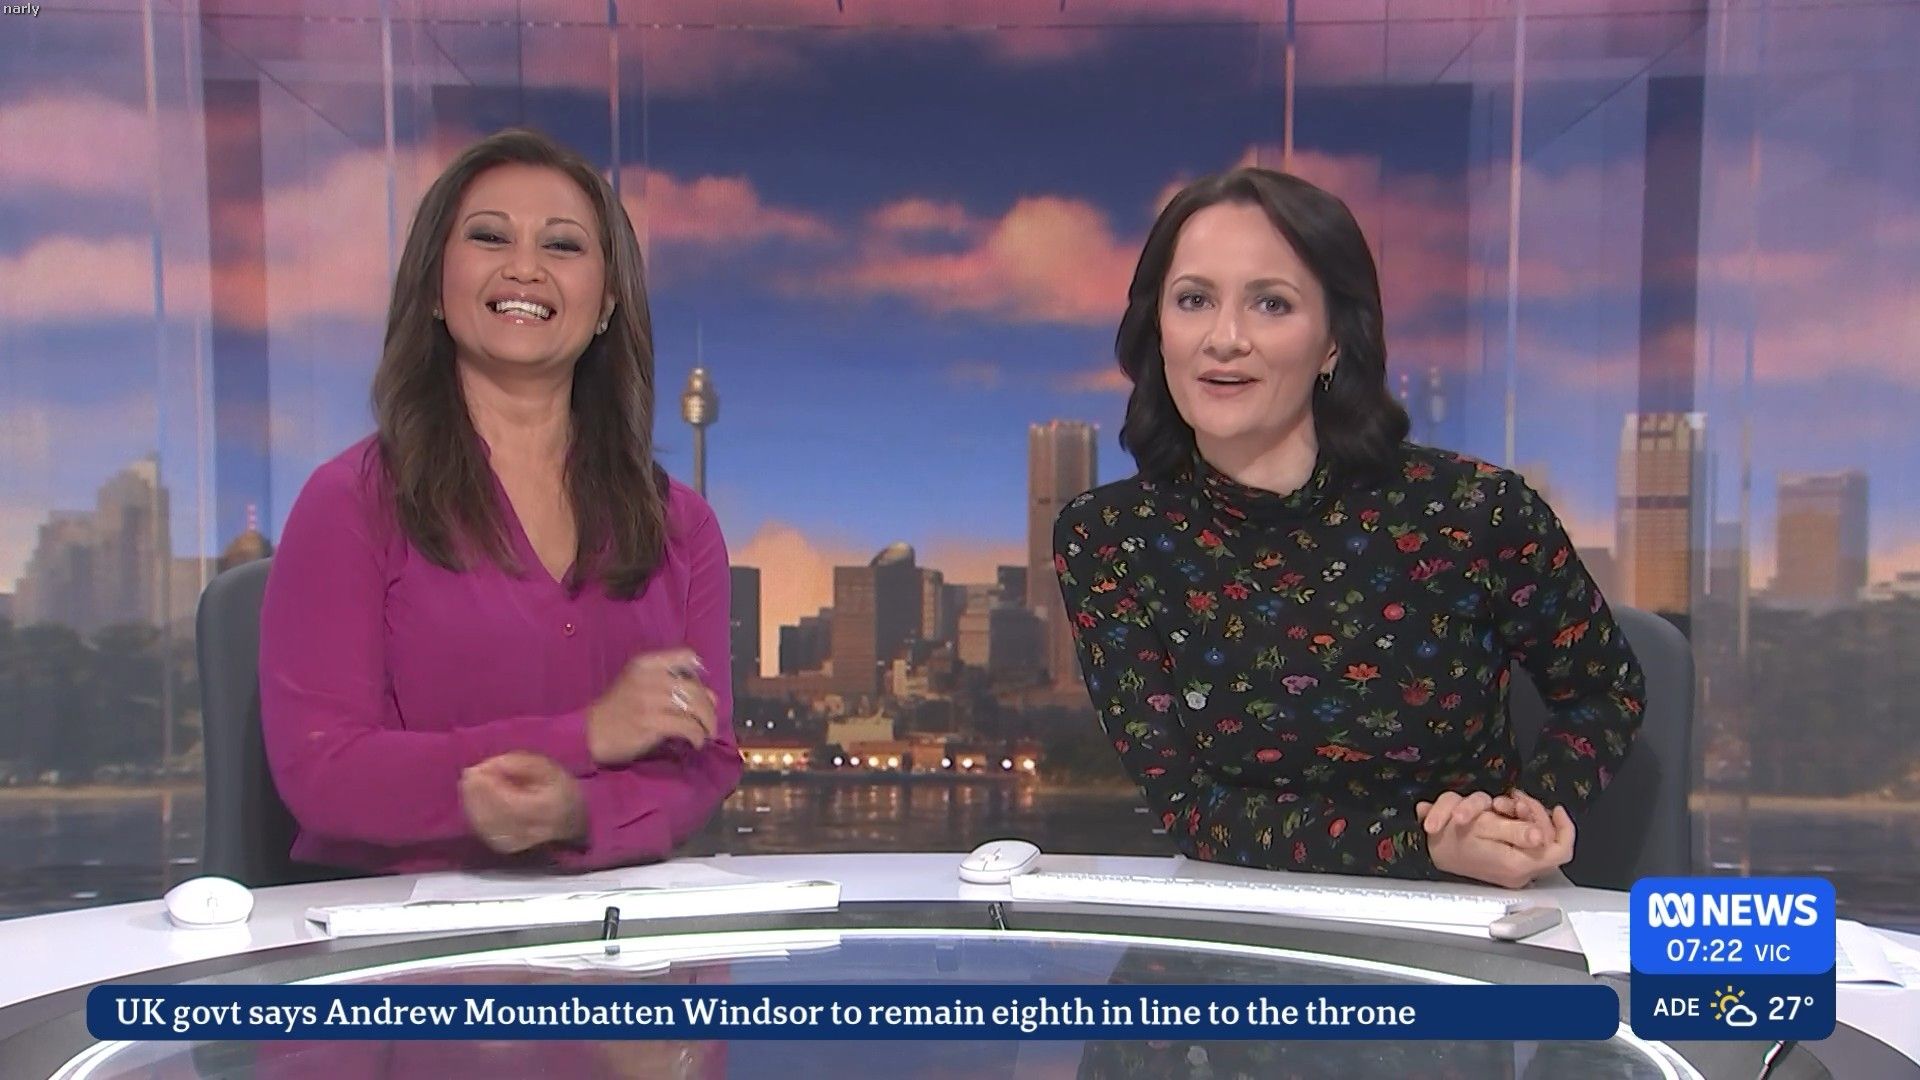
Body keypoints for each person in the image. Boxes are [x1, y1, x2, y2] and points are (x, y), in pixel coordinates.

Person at [1053, 167, 1646, 888]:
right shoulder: (1108, 539)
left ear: (1334, 341)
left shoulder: (1474, 511)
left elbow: (1604, 692)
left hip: (1474, 904)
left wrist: (1527, 813)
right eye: (1194, 300)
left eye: (1271, 303)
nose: (1224, 338)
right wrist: (1422, 845)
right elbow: (1190, 808)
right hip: (1245, 911)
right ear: (1157, 327)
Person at [258, 127, 740, 874]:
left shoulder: (684, 527)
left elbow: (706, 762)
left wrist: (578, 813)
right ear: (434, 288)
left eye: (562, 245)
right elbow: (322, 771)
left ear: (608, 303)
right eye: (489, 237)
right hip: (400, 930)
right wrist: (586, 736)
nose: (525, 267)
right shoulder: (349, 502)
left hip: (610, 925)